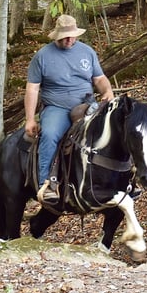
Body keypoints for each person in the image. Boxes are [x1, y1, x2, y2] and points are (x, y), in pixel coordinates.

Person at [24, 14, 114, 203]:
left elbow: (98, 78)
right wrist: (30, 119)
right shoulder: (42, 56)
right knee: (49, 135)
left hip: (87, 104)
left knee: (112, 129)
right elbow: (32, 88)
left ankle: (121, 177)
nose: (69, 40)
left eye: (72, 36)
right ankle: (46, 184)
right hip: (57, 107)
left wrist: (107, 90)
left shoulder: (87, 52)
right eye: (65, 36)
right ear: (56, 36)